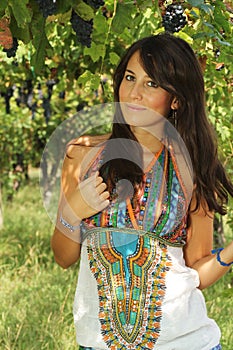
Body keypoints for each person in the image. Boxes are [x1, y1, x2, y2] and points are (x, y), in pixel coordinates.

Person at [51, 33, 233, 350]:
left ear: (175, 99)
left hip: (186, 342)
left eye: (151, 84)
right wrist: (72, 211)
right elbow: (63, 257)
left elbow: (197, 273)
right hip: (99, 343)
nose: (133, 93)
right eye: (130, 77)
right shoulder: (82, 154)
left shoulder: (191, 167)